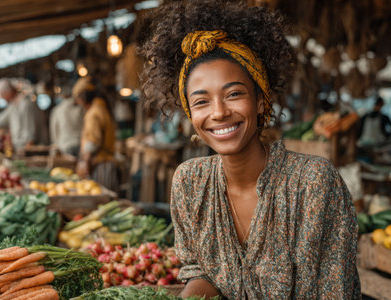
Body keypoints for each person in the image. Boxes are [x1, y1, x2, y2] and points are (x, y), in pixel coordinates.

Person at [138, 1, 360, 299]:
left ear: (259, 100)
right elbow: (200, 273)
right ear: (191, 115)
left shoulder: (313, 184)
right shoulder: (190, 182)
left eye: (233, 94)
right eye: (202, 101)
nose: (218, 112)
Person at [74, 77, 118, 191]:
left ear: (83, 97)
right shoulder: (102, 108)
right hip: (107, 164)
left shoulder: (94, 113)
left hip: (100, 166)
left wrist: (85, 164)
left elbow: (92, 143)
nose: (78, 102)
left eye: (77, 99)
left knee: (101, 202)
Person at [49, 88, 83, 157]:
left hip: (65, 146)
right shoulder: (80, 109)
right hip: (80, 145)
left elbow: (54, 133)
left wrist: (56, 146)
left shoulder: (57, 110)